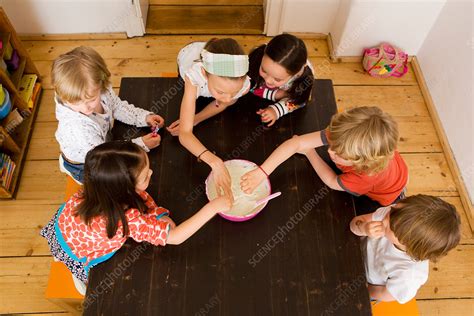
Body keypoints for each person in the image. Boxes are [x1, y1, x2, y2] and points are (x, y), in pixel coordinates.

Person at [40, 141, 231, 294]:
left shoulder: (99, 185)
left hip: (62, 226)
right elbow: (175, 237)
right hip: (78, 253)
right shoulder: (125, 220)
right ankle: (80, 278)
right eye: (145, 177)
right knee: (89, 286)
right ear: (126, 190)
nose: (151, 172)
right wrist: (213, 207)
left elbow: (139, 196)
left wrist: (157, 215)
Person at [241, 106, 408, 207]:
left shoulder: (364, 177)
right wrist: (262, 172)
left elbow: (332, 181)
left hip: (388, 193)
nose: (330, 151)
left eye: (339, 154)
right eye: (332, 145)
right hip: (394, 169)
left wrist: (310, 152)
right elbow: (296, 143)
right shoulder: (344, 136)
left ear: (363, 161)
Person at [52, 46, 164, 184]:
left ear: (102, 83)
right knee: (109, 186)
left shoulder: (100, 89)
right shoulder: (77, 129)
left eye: (91, 100)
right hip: (87, 164)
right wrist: (140, 145)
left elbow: (115, 106)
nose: (85, 107)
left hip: (102, 140)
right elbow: (106, 156)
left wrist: (143, 117)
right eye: (75, 103)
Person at [167, 38, 250, 201]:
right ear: (205, 73)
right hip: (189, 53)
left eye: (233, 93)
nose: (227, 99)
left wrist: (196, 118)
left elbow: (222, 104)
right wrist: (216, 162)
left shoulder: (242, 84)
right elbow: (184, 134)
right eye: (221, 92)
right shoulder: (194, 75)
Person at [350, 194, 461, 303]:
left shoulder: (409, 275)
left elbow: (385, 293)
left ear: (405, 243)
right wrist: (363, 228)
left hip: (365, 283)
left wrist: (360, 290)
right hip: (353, 250)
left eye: (390, 227)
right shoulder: (395, 214)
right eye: (391, 211)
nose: (384, 220)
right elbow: (355, 223)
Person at [248, 33, 314, 126]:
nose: (268, 81)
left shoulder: (304, 81)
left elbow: (300, 101)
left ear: (296, 73)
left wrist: (276, 110)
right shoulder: (259, 57)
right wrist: (276, 95)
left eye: (277, 79)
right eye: (264, 70)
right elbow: (248, 83)